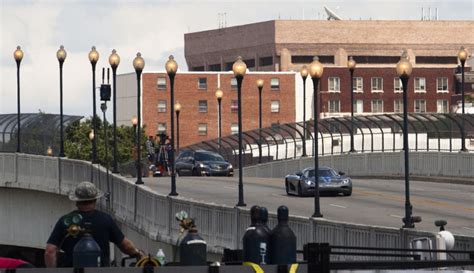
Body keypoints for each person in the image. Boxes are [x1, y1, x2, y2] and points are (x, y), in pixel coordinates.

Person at [45, 181, 144, 267]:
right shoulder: (105, 219)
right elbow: (125, 246)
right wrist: (138, 253)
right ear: (95, 200)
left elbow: (50, 251)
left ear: (76, 201)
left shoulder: (66, 221)